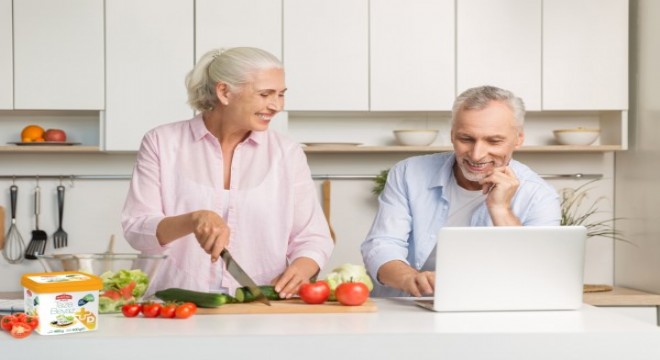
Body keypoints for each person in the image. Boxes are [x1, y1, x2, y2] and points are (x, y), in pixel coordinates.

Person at [122, 47, 334, 298]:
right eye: (265, 94)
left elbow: (313, 236)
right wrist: (193, 220)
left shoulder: (286, 153)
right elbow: (137, 230)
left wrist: (303, 266)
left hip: (258, 305)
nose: (276, 106)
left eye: (281, 94)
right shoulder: (162, 142)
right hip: (171, 304)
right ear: (224, 92)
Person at [361, 85, 561, 297]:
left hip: (488, 309)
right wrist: (410, 279)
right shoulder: (408, 173)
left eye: (494, 141)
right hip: (405, 306)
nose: (476, 155)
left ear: (518, 139)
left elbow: (537, 274)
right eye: (466, 139)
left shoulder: (540, 196)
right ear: (452, 135)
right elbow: (382, 244)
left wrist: (501, 209)